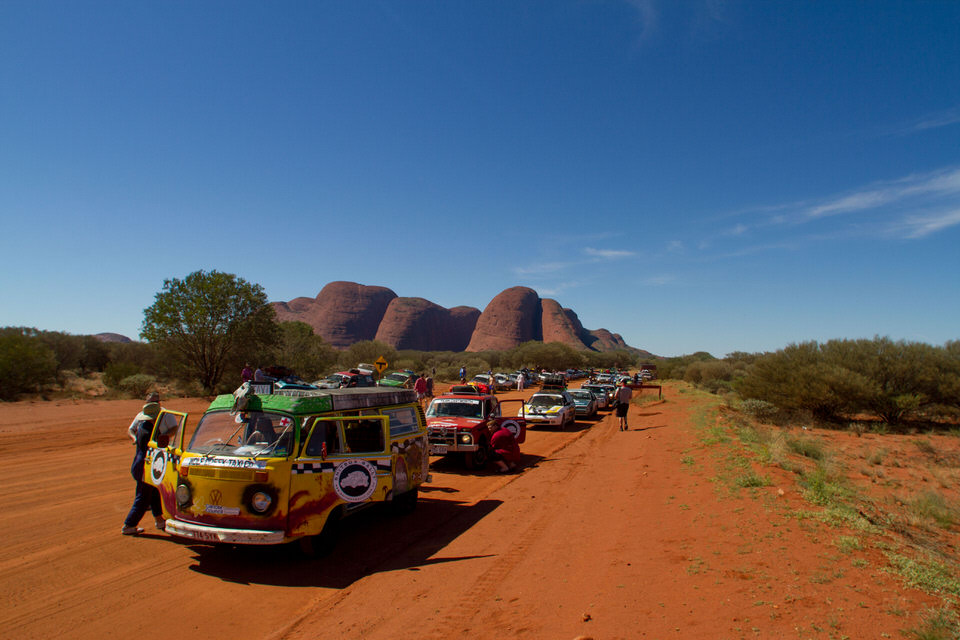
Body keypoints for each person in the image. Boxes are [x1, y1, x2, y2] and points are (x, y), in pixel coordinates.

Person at [121, 392, 166, 535]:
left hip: (141, 465)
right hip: (145, 466)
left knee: (153, 493)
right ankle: (129, 525)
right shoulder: (149, 431)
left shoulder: (144, 427)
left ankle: (160, 520)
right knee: (142, 498)